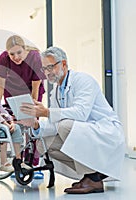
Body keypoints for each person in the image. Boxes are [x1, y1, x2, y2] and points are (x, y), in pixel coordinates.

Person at [19, 46, 126, 194]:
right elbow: (53, 123)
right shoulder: (56, 91)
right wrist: (36, 124)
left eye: (50, 67)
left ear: (63, 64)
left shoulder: (83, 80)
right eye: (44, 69)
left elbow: (81, 113)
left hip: (105, 133)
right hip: (85, 135)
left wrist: (47, 111)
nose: (48, 72)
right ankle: (92, 174)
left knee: (65, 126)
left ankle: (94, 179)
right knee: (44, 144)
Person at [0, 35, 46, 176]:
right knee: (16, 127)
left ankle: (32, 164)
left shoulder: (35, 57)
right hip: (12, 92)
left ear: (24, 49)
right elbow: (0, 87)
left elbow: (35, 88)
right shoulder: (3, 59)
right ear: (7, 53)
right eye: (12, 54)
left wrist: (31, 108)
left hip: (31, 91)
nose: (16, 57)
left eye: (19, 53)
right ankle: (18, 162)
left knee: (31, 124)